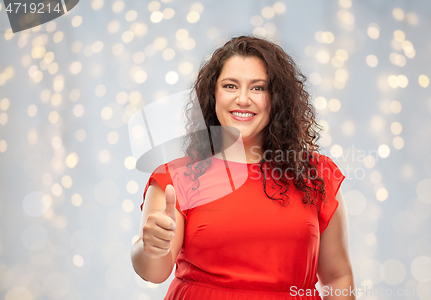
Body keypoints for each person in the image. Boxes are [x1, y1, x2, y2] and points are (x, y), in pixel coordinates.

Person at [130, 35, 355, 299]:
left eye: (258, 88)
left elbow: (338, 277)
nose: (243, 99)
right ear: (213, 94)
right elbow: (154, 271)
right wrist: (149, 248)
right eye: (230, 86)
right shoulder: (177, 175)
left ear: (277, 99)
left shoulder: (316, 175)